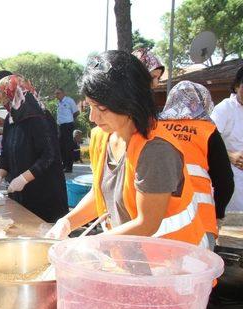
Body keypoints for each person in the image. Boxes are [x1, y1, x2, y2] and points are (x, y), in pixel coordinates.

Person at [46, 51, 208, 247]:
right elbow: (100, 193)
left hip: (172, 265)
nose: (92, 118)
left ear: (130, 102)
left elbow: (146, 224)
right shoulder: (101, 136)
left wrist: (86, 246)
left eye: (102, 108)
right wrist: (68, 222)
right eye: (90, 106)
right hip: (130, 259)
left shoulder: (156, 150)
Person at [159, 81, 234, 248]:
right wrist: (218, 213)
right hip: (199, 220)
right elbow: (226, 183)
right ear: (204, 102)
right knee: (199, 271)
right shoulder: (208, 131)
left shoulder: (154, 128)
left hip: (157, 218)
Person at [0, 75, 68, 223]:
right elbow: (6, 155)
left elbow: (49, 155)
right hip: (20, 196)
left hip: (45, 196)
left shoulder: (40, 116)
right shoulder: (10, 119)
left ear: (17, 94)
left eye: (6, 100)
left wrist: (23, 178)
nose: (6, 105)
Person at [212, 66, 243, 212]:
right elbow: (209, 141)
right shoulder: (225, 108)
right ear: (237, 86)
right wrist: (230, 155)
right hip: (231, 178)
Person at [55, 87, 79, 172]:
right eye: (56, 94)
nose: (56, 95)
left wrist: (70, 120)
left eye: (58, 93)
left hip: (68, 126)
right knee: (61, 146)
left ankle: (69, 167)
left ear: (63, 93)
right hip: (61, 127)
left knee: (68, 147)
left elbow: (76, 112)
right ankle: (64, 165)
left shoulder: (69, 101)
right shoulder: (58, 103)